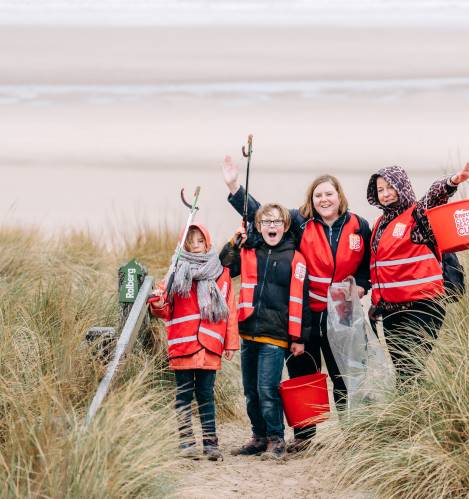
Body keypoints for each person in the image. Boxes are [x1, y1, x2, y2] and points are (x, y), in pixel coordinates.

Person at [222, 157, 371, 452]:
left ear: (339, 196)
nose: (324, 199)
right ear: (311, 200)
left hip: (342, 315)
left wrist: (363, 285)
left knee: (344, 375)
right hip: (307, 315)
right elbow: (264, 216)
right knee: (303, 375)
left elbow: (368, 263)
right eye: (318, 195)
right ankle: (304, 438)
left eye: (329, 194)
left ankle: (353, 436)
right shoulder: (301, 221)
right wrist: (234, 187)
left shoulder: (359, 226)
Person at [367, 162, 469, 378]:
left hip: (422, 307)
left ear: (402, 187)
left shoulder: (418, 216)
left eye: (391, 187)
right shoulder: (379, 224)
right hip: (391, 312)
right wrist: (375, 304)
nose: (386, 194)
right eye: (380, 190)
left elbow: (433, 197)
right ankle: (414, 411)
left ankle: (422, 410)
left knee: (411, 368)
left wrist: (452, 181)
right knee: (403, 372)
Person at [220, 203, 311, 461]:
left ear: (285, 226)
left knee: (268, 389)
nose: (272, 226)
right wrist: (233, 243)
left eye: (277, 222)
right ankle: (258, 437)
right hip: (249, 331)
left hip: (276, 335)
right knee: (250, 390)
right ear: (258, 227)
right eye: (267, 222)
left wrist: (299, 338)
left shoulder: (295, 258)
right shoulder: (250, 251)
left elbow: (301, 300)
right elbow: (224, 267)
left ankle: (276, 440)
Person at [149, 224, 239, 461]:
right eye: (191, 241)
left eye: (201, 240)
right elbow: (165, 309)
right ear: (183, 245)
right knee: (183, 395)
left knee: (206, 395)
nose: (196, 245)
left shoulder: (221, 273)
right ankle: (186, 442)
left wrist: (230, 343)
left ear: (207, 242)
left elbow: (229, 309)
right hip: (183, 345)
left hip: (210, 346)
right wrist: (158, 303)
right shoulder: (175, 272)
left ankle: (211, 444)